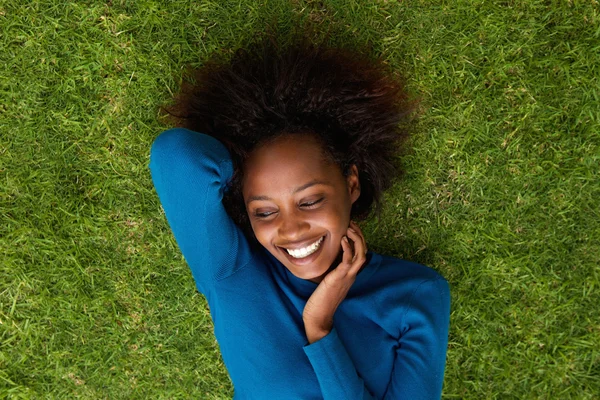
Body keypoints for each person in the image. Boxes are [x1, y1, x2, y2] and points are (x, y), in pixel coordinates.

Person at [149, 32, 451, 399]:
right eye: (264, 210)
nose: (290, 229)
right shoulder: (232, 275)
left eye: (309, 201)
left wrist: (320, 329)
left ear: (352, 184)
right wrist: (242, 172)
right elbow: (177, 156)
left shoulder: (413, 294)